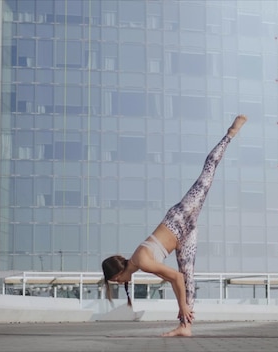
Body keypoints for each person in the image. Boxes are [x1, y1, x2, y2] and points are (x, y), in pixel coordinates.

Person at [101, 114, 247, 337]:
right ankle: (185, 327)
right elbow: (175, 279)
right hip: (185, 236)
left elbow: (173, 278)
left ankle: (230, 134)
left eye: (116, 281)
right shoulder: (140, 264)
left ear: (118, 274)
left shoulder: (141, 261)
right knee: (188, 277)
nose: (120, 283)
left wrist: (182, 306)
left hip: (180, 219)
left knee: (207, 174)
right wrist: (182, 305)